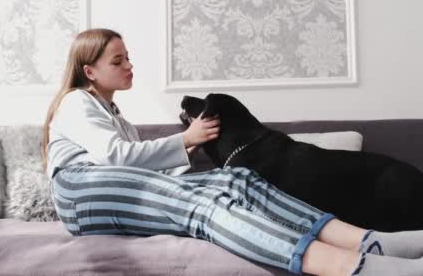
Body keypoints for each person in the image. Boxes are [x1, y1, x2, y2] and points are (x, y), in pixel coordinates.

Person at [42, 28, 423, 276]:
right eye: (118, 60)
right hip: (81, 192)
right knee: (204, 208)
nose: (129, 65)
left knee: (236, 179)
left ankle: (372, 240)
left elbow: (147, 177)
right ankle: (352, 268)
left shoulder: (119, 118)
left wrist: (211, 177)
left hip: (112, 190)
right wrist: (188, 139)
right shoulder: (77, 101)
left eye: (128, 56)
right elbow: (115, 158)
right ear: (89, 71)